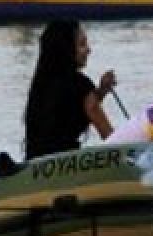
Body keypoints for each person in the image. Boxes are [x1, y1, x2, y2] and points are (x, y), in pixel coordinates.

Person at [23, 20, 116, 160]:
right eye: (82, 44)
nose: (89, 50)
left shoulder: (40, 85)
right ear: (66, 49)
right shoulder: (81, 84)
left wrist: (101, 91)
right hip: (65, 167)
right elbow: (112, 139)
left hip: (34, 165)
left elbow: (70, 112)